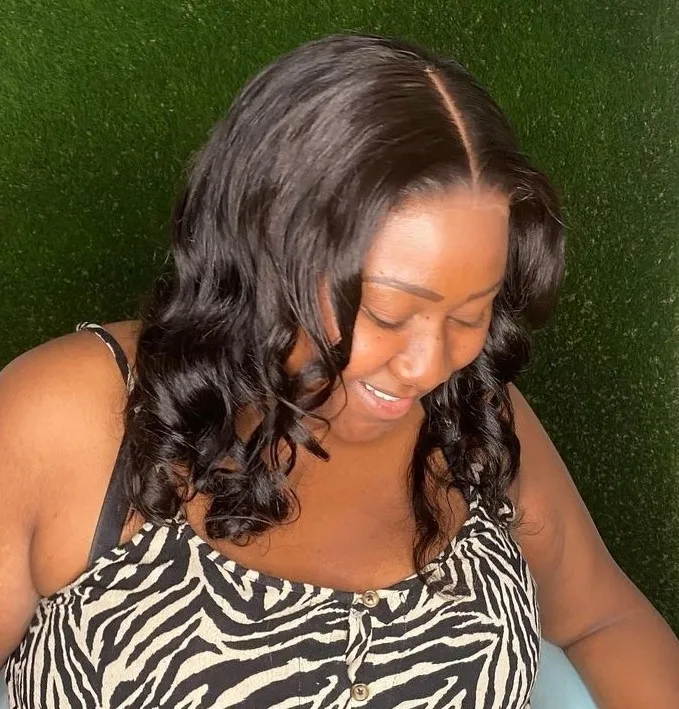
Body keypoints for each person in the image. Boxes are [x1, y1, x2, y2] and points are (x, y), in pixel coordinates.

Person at [1, 33, 678, 709]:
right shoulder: (67, 415)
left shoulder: (474, 415)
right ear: (267, 252)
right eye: (387, 313)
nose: (426, 365)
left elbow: (603, 619)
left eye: (469, 314)